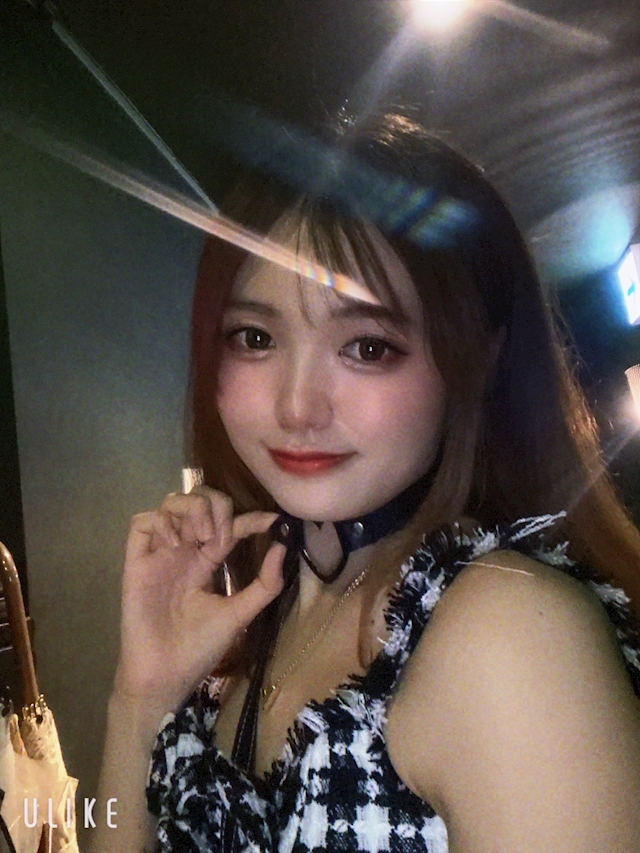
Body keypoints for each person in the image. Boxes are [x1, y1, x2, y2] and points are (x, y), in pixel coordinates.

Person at [91, 114, 640, 853]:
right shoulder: (260, 613)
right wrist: (140, 699)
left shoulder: (508, 635)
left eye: (368, 347)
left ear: (478, 359)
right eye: (255, 338)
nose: (297, 407)